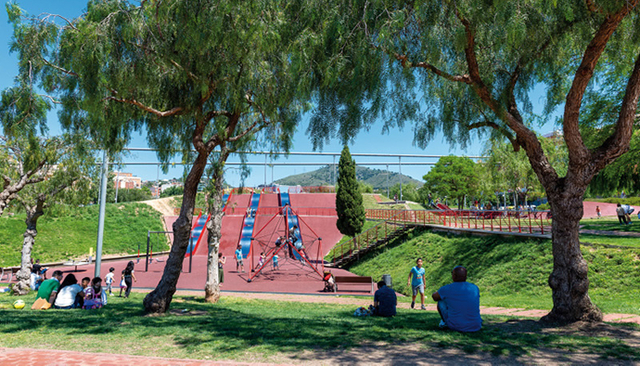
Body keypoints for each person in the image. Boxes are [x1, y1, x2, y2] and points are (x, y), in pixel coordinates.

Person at [431, 266, 482, 332]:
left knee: (441, 301)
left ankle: (445, 322)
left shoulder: (447, 289)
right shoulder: (474, 288)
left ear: (454, 276)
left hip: (455, 326)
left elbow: (434, 297)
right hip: (476, 326)